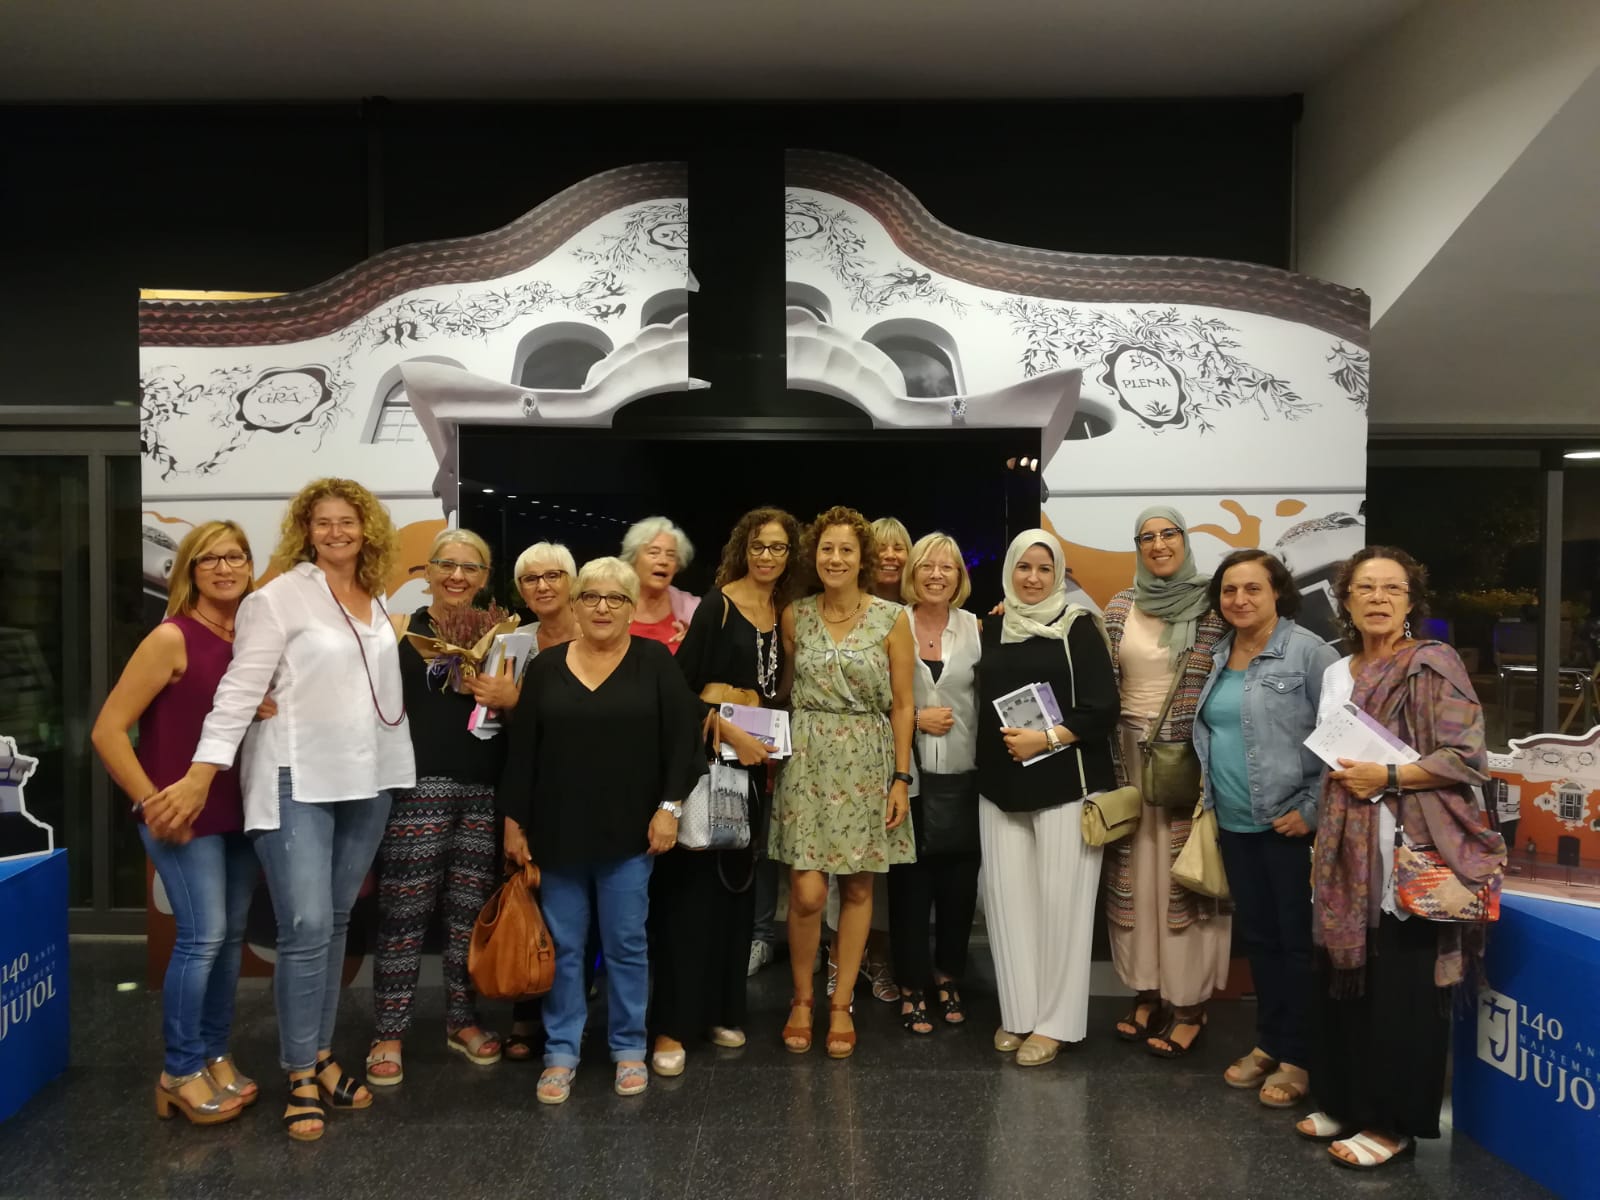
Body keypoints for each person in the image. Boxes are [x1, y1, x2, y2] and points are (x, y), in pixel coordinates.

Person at [153, 478, 415, 1142]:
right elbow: (239, 692)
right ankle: (299, 1073)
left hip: (369, 777)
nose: (336, 532)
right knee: (303, 926)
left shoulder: (377, 598)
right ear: (305, 530)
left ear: (367, 529)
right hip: (296, 775)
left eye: (348, 521)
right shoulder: (275, 598)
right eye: (323, 522)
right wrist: (201, 774)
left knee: (335, 922)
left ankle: (321, 1055)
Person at [1301, 546, 1505, 1170]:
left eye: (1392, 588)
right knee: (1347, 981)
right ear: (1346, 599)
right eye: (1365, 587)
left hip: (1414, 851)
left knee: (1405, 993)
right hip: (1346, 853)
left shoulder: (1431, 664)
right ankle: (1345, 1100)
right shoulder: (1337, 672)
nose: (1378, 598)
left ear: (1412, 600)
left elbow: (1466, 757)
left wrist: (1388, 775)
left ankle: (1393, 1124)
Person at [498, 556, 700, 1104]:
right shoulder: (546, 668)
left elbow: (684, 743)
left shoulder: (655, 662)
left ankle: (628, 1047)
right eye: (591, 597)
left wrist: (669, 809)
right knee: (565, 947)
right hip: (557, 834)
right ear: (576, 604)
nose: (603, 607)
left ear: (632, 608)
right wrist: (515, 822)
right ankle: (561, 1052)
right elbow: (524, 753)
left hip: (630, 835)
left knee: (627, 944)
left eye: (616, 598)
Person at [91, 521, 259, 1127]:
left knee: (228, 940)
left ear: (249, 566)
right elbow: (108, 730)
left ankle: (215, 1053)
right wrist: (149, 802)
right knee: (202, 937)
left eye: (234, 557)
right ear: (188, 570)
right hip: (182, 817)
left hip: (241, 812)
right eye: (209, 559)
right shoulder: (171, 637)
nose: (224, 568)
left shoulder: (253, 638)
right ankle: (179, 1070)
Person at [649, 507, 802, 1075]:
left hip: (752, 770)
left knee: (737, 893)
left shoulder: (785, 611)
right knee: (691, 895)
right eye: (759, 546)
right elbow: (676, 689)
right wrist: (726, 725)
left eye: (778, 547)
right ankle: (673, 1024)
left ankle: (722, 1011)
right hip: (708, 765)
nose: (767, 556)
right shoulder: (717, 605)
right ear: (743, 548)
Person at [365, 529, 511, 1087]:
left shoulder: (503, 640)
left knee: (468, 916)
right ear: (426, 572)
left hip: (484, 790)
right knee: (404, 913)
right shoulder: (399, 632)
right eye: (446, 565)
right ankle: (389, 1033)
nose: (457, 576)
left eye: (471, 568)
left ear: (484, 578)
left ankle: (461, 1020)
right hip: (416, 789)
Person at [1193, 550, 1337, 1106]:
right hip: (1235, 823)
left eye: (1253, 588)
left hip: (1290, 826)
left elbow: (1344, 740)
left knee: (1297, 945)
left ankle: (1301, 1057)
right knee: (1259, 941)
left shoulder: (1310, 654)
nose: (1240, 600)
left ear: (1278, 592)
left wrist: (1312, 808)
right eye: (1229, 590)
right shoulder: (1218, 653)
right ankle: (1269, 1042)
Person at [771, 506, 915, 1059]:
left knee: (857, 888)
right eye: (826, 549)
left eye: (846, 550)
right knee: (807, 892)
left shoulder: (891, 619)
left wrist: (900, 778)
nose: (835, 558)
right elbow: (783, 689)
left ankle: (841, 1002)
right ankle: (802, 997)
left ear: (862, 559)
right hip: (807, 759)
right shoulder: (795, 616)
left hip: (868, 761)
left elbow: (903, 705)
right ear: (815, 555)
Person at [977, 528, 1117, 1067]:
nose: (1032, 579)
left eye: (1044, 569)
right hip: (1001, 784)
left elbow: (1103, 707)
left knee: (1063, 907)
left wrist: (1048, 739)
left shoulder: (1077, 626)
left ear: (1058, 574)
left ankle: (1055, 1024)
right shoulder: (993, 626)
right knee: (1008, 906)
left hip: (1065, 783)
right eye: (1023, 567)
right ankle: (1018, 1013)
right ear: (1008, 570)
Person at [1102, 506, 1231, 1057]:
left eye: (1168, 534)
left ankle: (1190, 1004)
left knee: (1186, 875)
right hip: (1129, 759)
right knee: (1136, 878)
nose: (1158, 545)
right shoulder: (1119, 607)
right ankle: (1147, 990)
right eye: (1147, 537)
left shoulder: (1214, 607)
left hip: (1189, 760)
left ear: (1184, 539)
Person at [888, 532, 981, 1035]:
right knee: (908, 887)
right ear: (912, 573)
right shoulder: (889, 623)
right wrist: (915, 718)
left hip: (965, 778)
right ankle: (910, 985)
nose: (937, 575)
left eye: (947, 567)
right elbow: (873, 698)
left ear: (959, 576)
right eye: (927, 565)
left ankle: (948, 978)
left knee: (958, 889)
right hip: (907, 779)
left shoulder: (977, 628)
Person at [503, 540, 580, 1060]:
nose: (543, 586)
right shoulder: (512, 643)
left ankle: (579, 1013)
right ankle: (528, 1012)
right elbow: (501, 723)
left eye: (553, 576)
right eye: (531, 579)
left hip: (587, 787)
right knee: (531, 900)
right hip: (529, 786)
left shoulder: (598, 633)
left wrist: (517, 700)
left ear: (572, 582)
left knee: (583, 912)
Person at [621, 516, 699, 651]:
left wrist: (695, 644)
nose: (663, 561)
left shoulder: (693, 610)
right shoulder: (610, 603)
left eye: (671, 555)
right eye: (654, 553)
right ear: (633, 559)